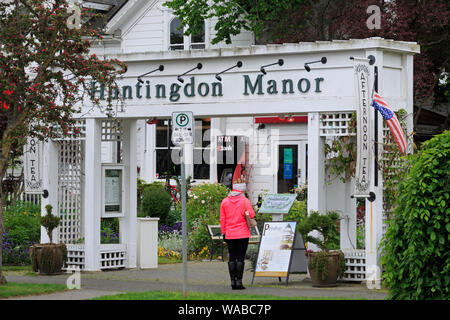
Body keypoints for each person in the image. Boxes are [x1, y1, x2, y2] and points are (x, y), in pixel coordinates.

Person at [220, 181, 256, 290]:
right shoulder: (245, 201)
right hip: (243, 233)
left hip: (230, 233)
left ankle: (232, 282)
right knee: (240, 257)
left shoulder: (225, 202)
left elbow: (222, 219)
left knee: (232, 257)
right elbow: (252, 215)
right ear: (242, 191)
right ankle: (239, 282)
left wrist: (224, 232)